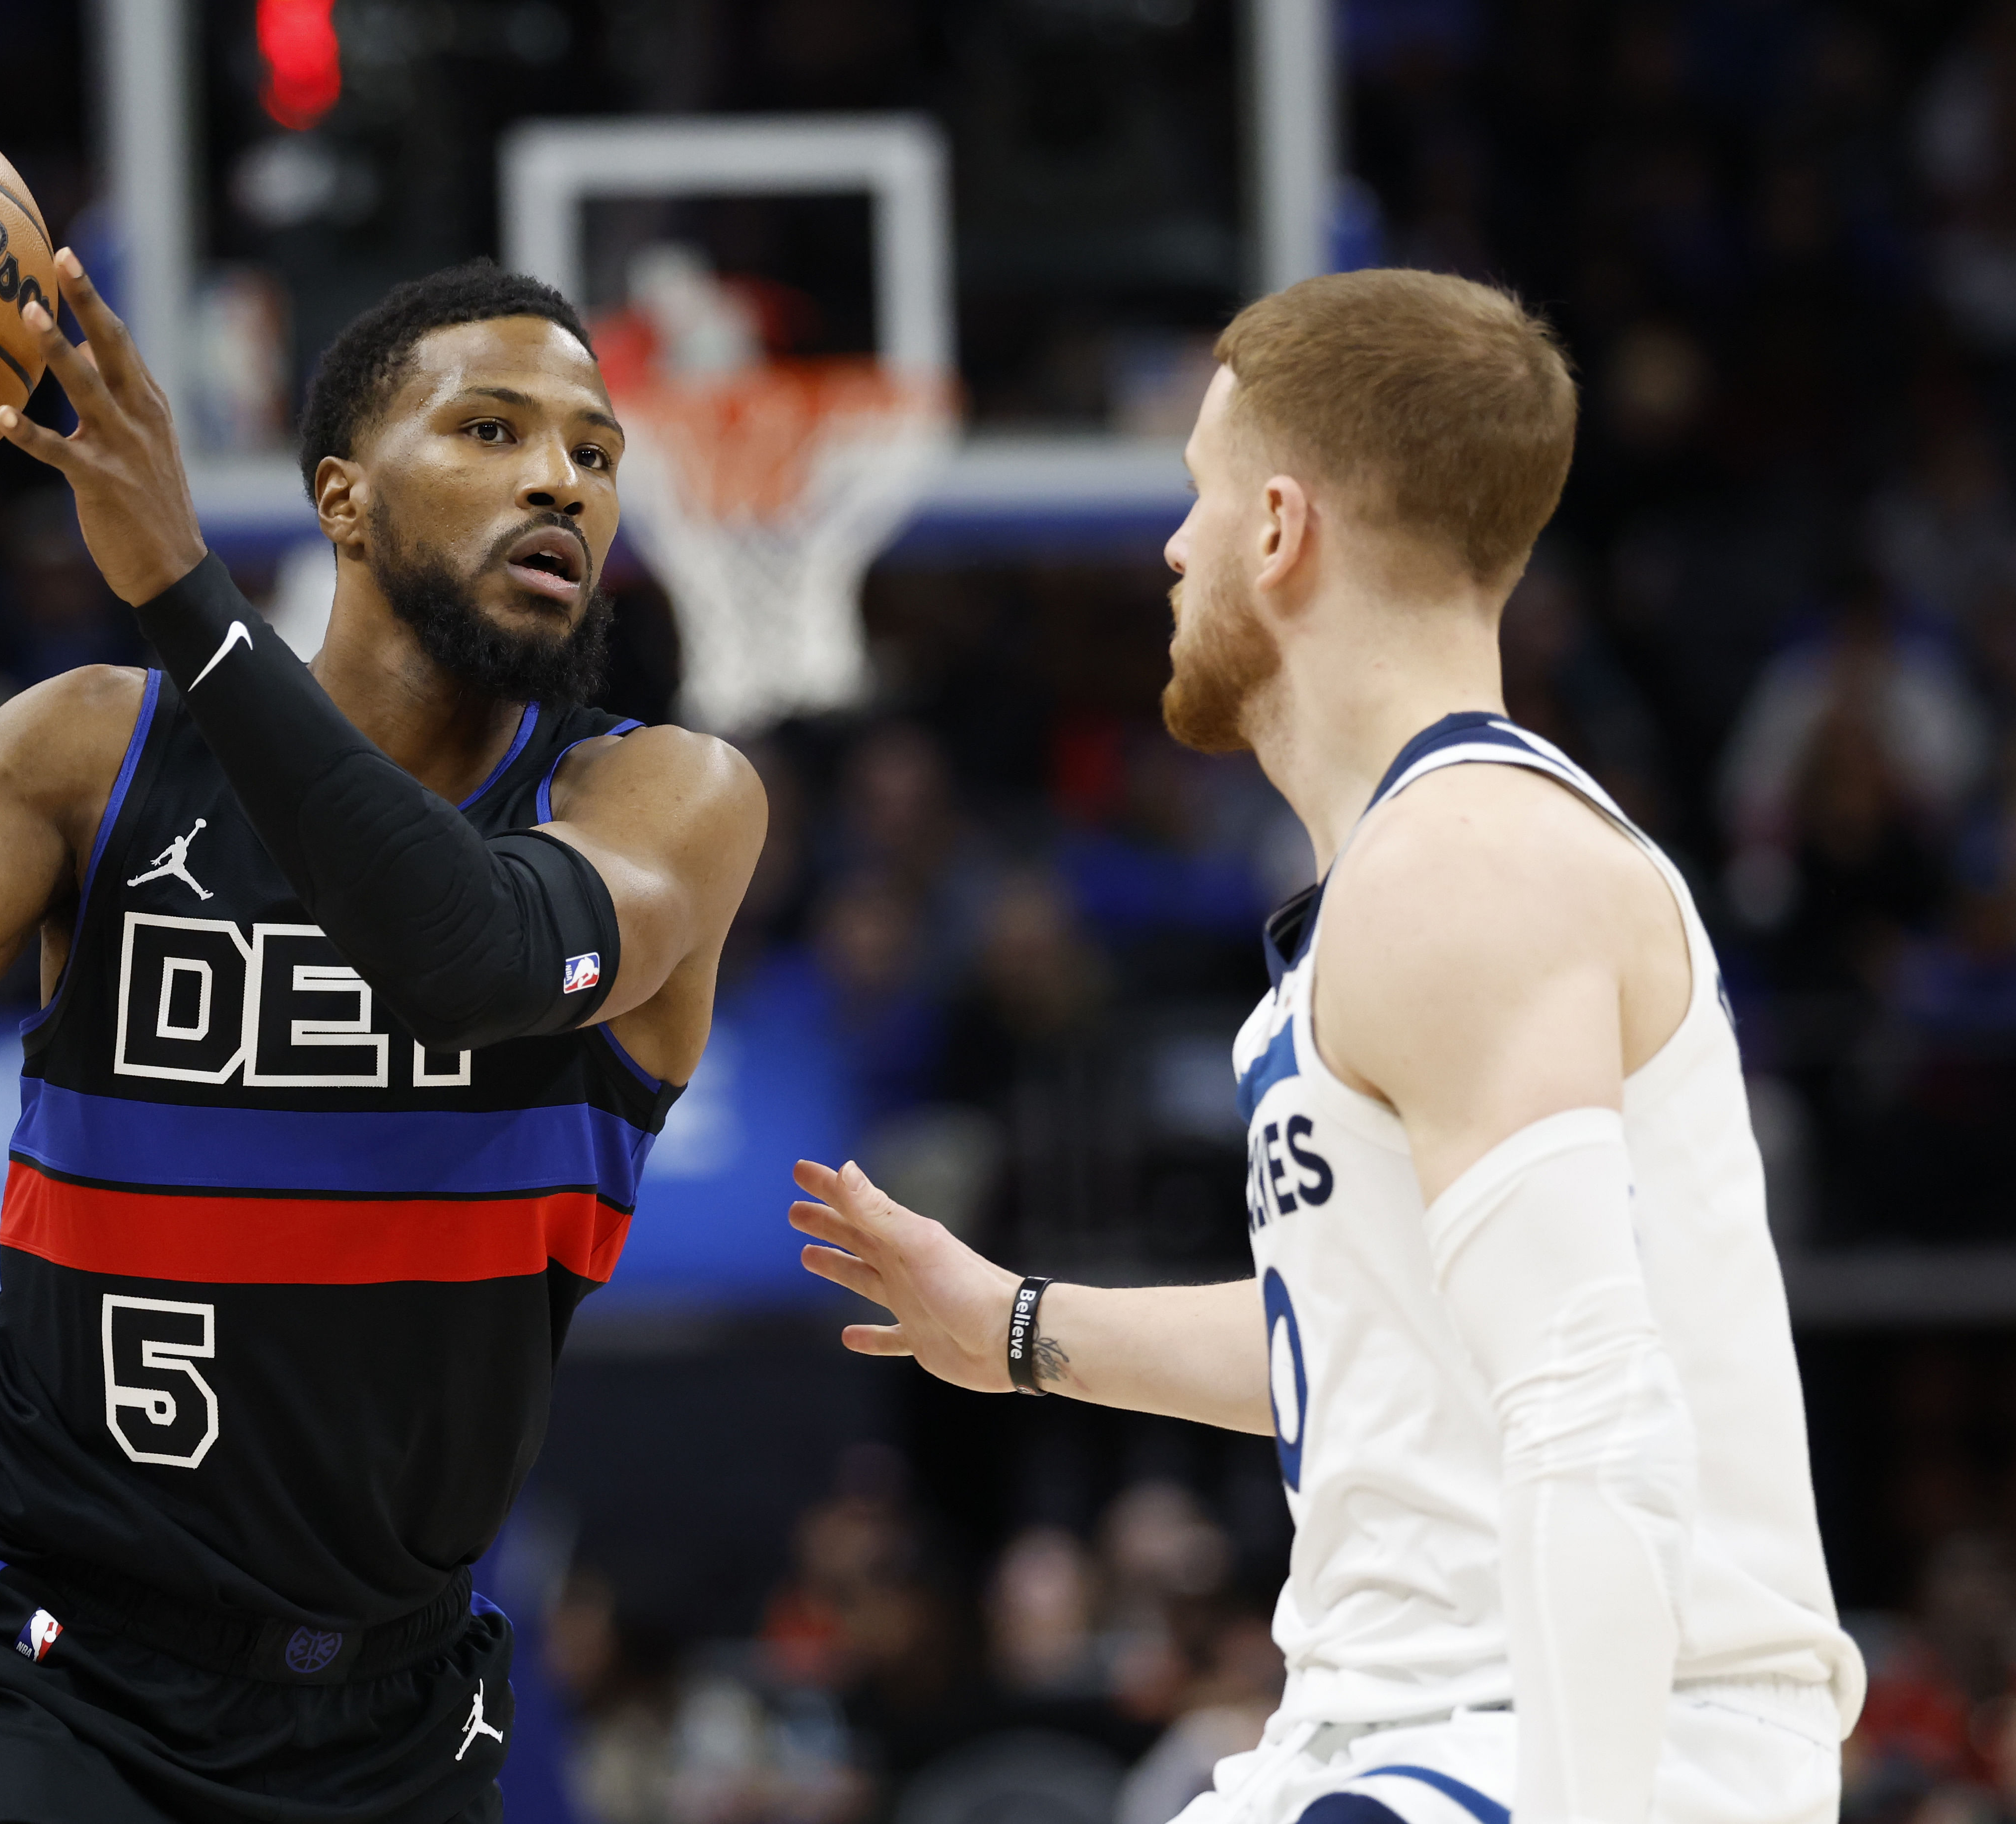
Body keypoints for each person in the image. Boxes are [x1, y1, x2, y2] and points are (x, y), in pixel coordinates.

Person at [0, 256, 764, 1824]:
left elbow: (473, 955)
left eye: (594, 452)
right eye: (490, 431)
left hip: (391, 1710)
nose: (558, 480)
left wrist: (187, 593)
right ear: (342, 498)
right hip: (41, 1664)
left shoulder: (661, 799)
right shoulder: (97, 755)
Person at [789, 269, 1863, 1824]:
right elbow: (1378, 1342)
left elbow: (1587, 1410)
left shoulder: (1465, 861)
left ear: (1280, 527)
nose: (1169, 546)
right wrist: (1018, 1327)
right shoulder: (1418, 872)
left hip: (1576, 1739)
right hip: (1404, 1731)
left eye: (1196, 496)